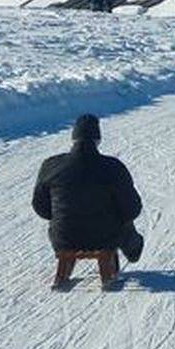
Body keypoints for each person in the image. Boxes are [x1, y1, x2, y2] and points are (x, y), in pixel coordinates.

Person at [32, 114, 145, 266]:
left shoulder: (51, 165)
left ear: (73, 138)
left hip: (64, 238)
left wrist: (62, 215)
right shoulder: (113, 167)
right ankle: (132, 250)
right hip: (105, 238)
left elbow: (40, 207)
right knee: (124, 222)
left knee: (61, 222)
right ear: (98, 139)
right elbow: (132, 209)